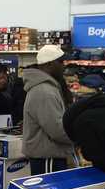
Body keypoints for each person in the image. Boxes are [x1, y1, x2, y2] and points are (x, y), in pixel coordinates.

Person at [22, 44, 75, 175]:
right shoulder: (44, 91)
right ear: (50, 64)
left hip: (50, 156)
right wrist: (80, 137)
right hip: (47, 158)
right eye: (61, 62)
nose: (64, 66)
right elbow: (57, 129)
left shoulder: (48, 88)